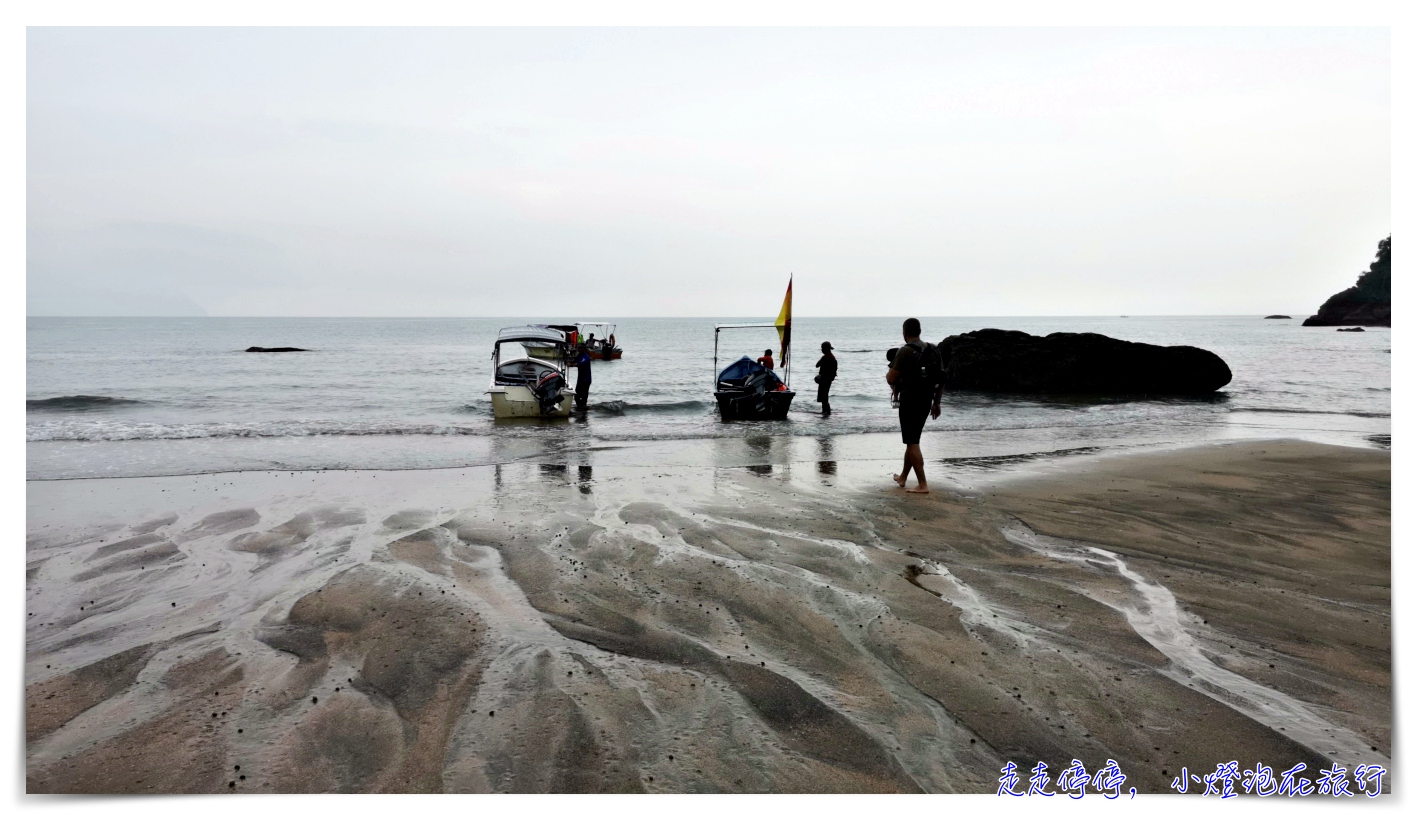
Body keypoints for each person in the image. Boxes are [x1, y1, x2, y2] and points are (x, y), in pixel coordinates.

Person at [886, 318, 943, 493]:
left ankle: (922, 484)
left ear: (905, 333)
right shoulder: (933, 350)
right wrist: (937, 403)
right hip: (926, 401)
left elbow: (890, 377)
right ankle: (903, 477)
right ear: (919, 331)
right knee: (913, 440)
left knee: (912, 442)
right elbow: (941, 379)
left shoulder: (905, 351)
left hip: (910, 401)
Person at [814, 341, 837, 414]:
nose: (821, 350)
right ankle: (825, 413)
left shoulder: (826, 357)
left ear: (826, 349)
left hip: (824, 379)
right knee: (824, 397)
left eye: (822, 348)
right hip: (828, 379)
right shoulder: (832, 357)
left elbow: (817, 365)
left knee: (824, 399)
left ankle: (827, 412)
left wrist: (822, 360)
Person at [573, 343, 592, 411]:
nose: (579, 349)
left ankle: (583, 408)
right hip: (580, 379)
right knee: (576, 395)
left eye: (581, 348)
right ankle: (579, 407)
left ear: (584, 349)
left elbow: (579, 364)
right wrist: (567, 361)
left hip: (586, 380)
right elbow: (574, 361)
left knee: (584, 396)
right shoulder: (579, 355)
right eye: (579, 348)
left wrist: (572, 365)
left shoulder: (586, 358)